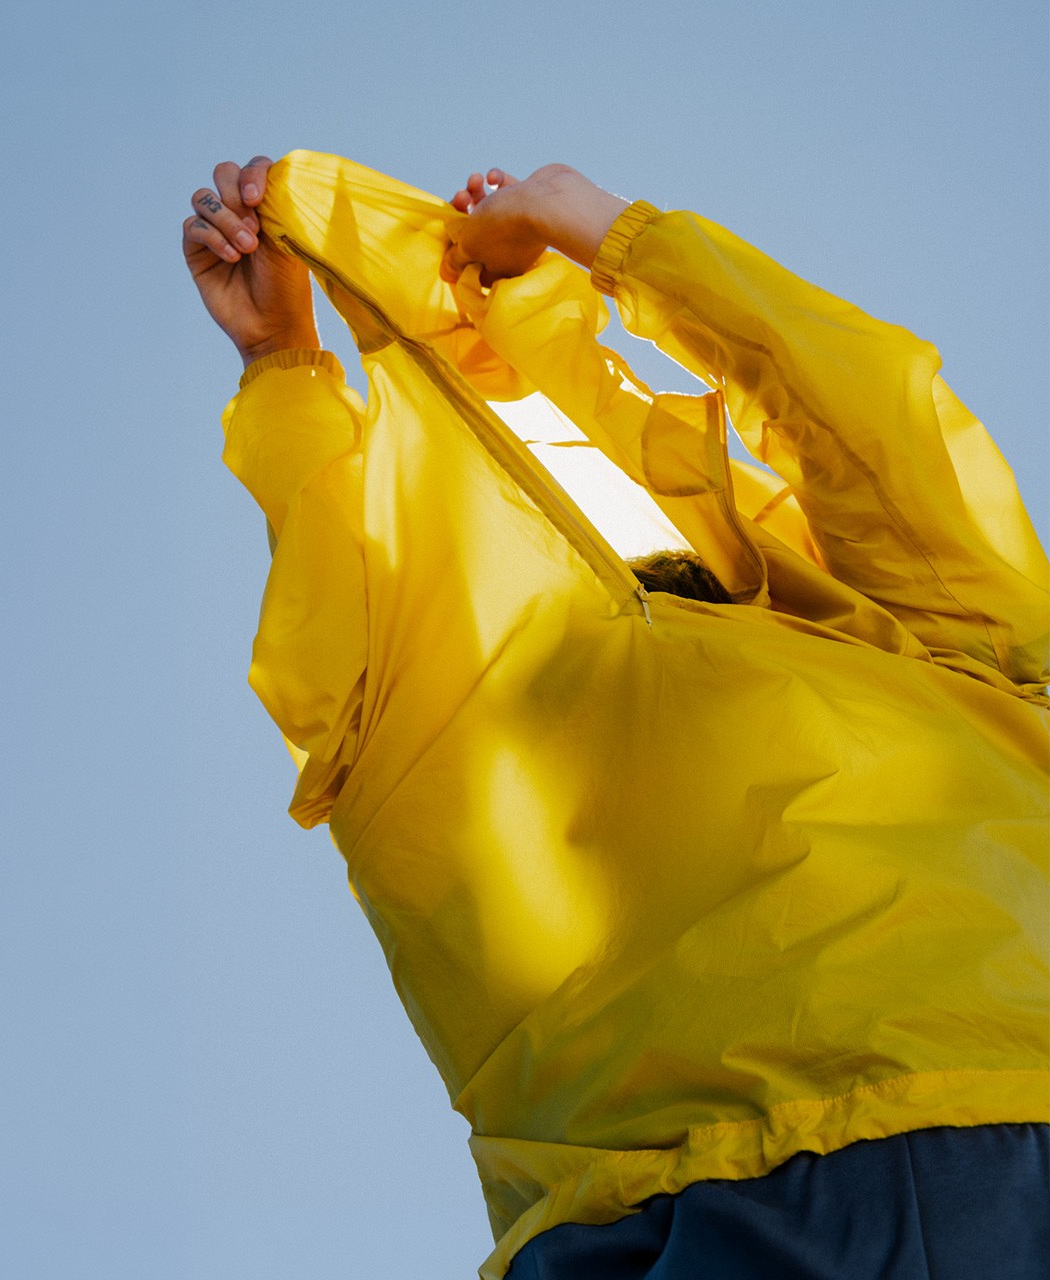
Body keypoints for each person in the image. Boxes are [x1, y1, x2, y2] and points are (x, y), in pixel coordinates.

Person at [182, 154, 1050, 1279]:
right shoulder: (956, 653)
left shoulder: (938, 638)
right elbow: (871, 416)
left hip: (728, 1183)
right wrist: (586, 237)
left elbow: (863, 420)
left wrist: (296, 363)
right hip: (907, 1135)